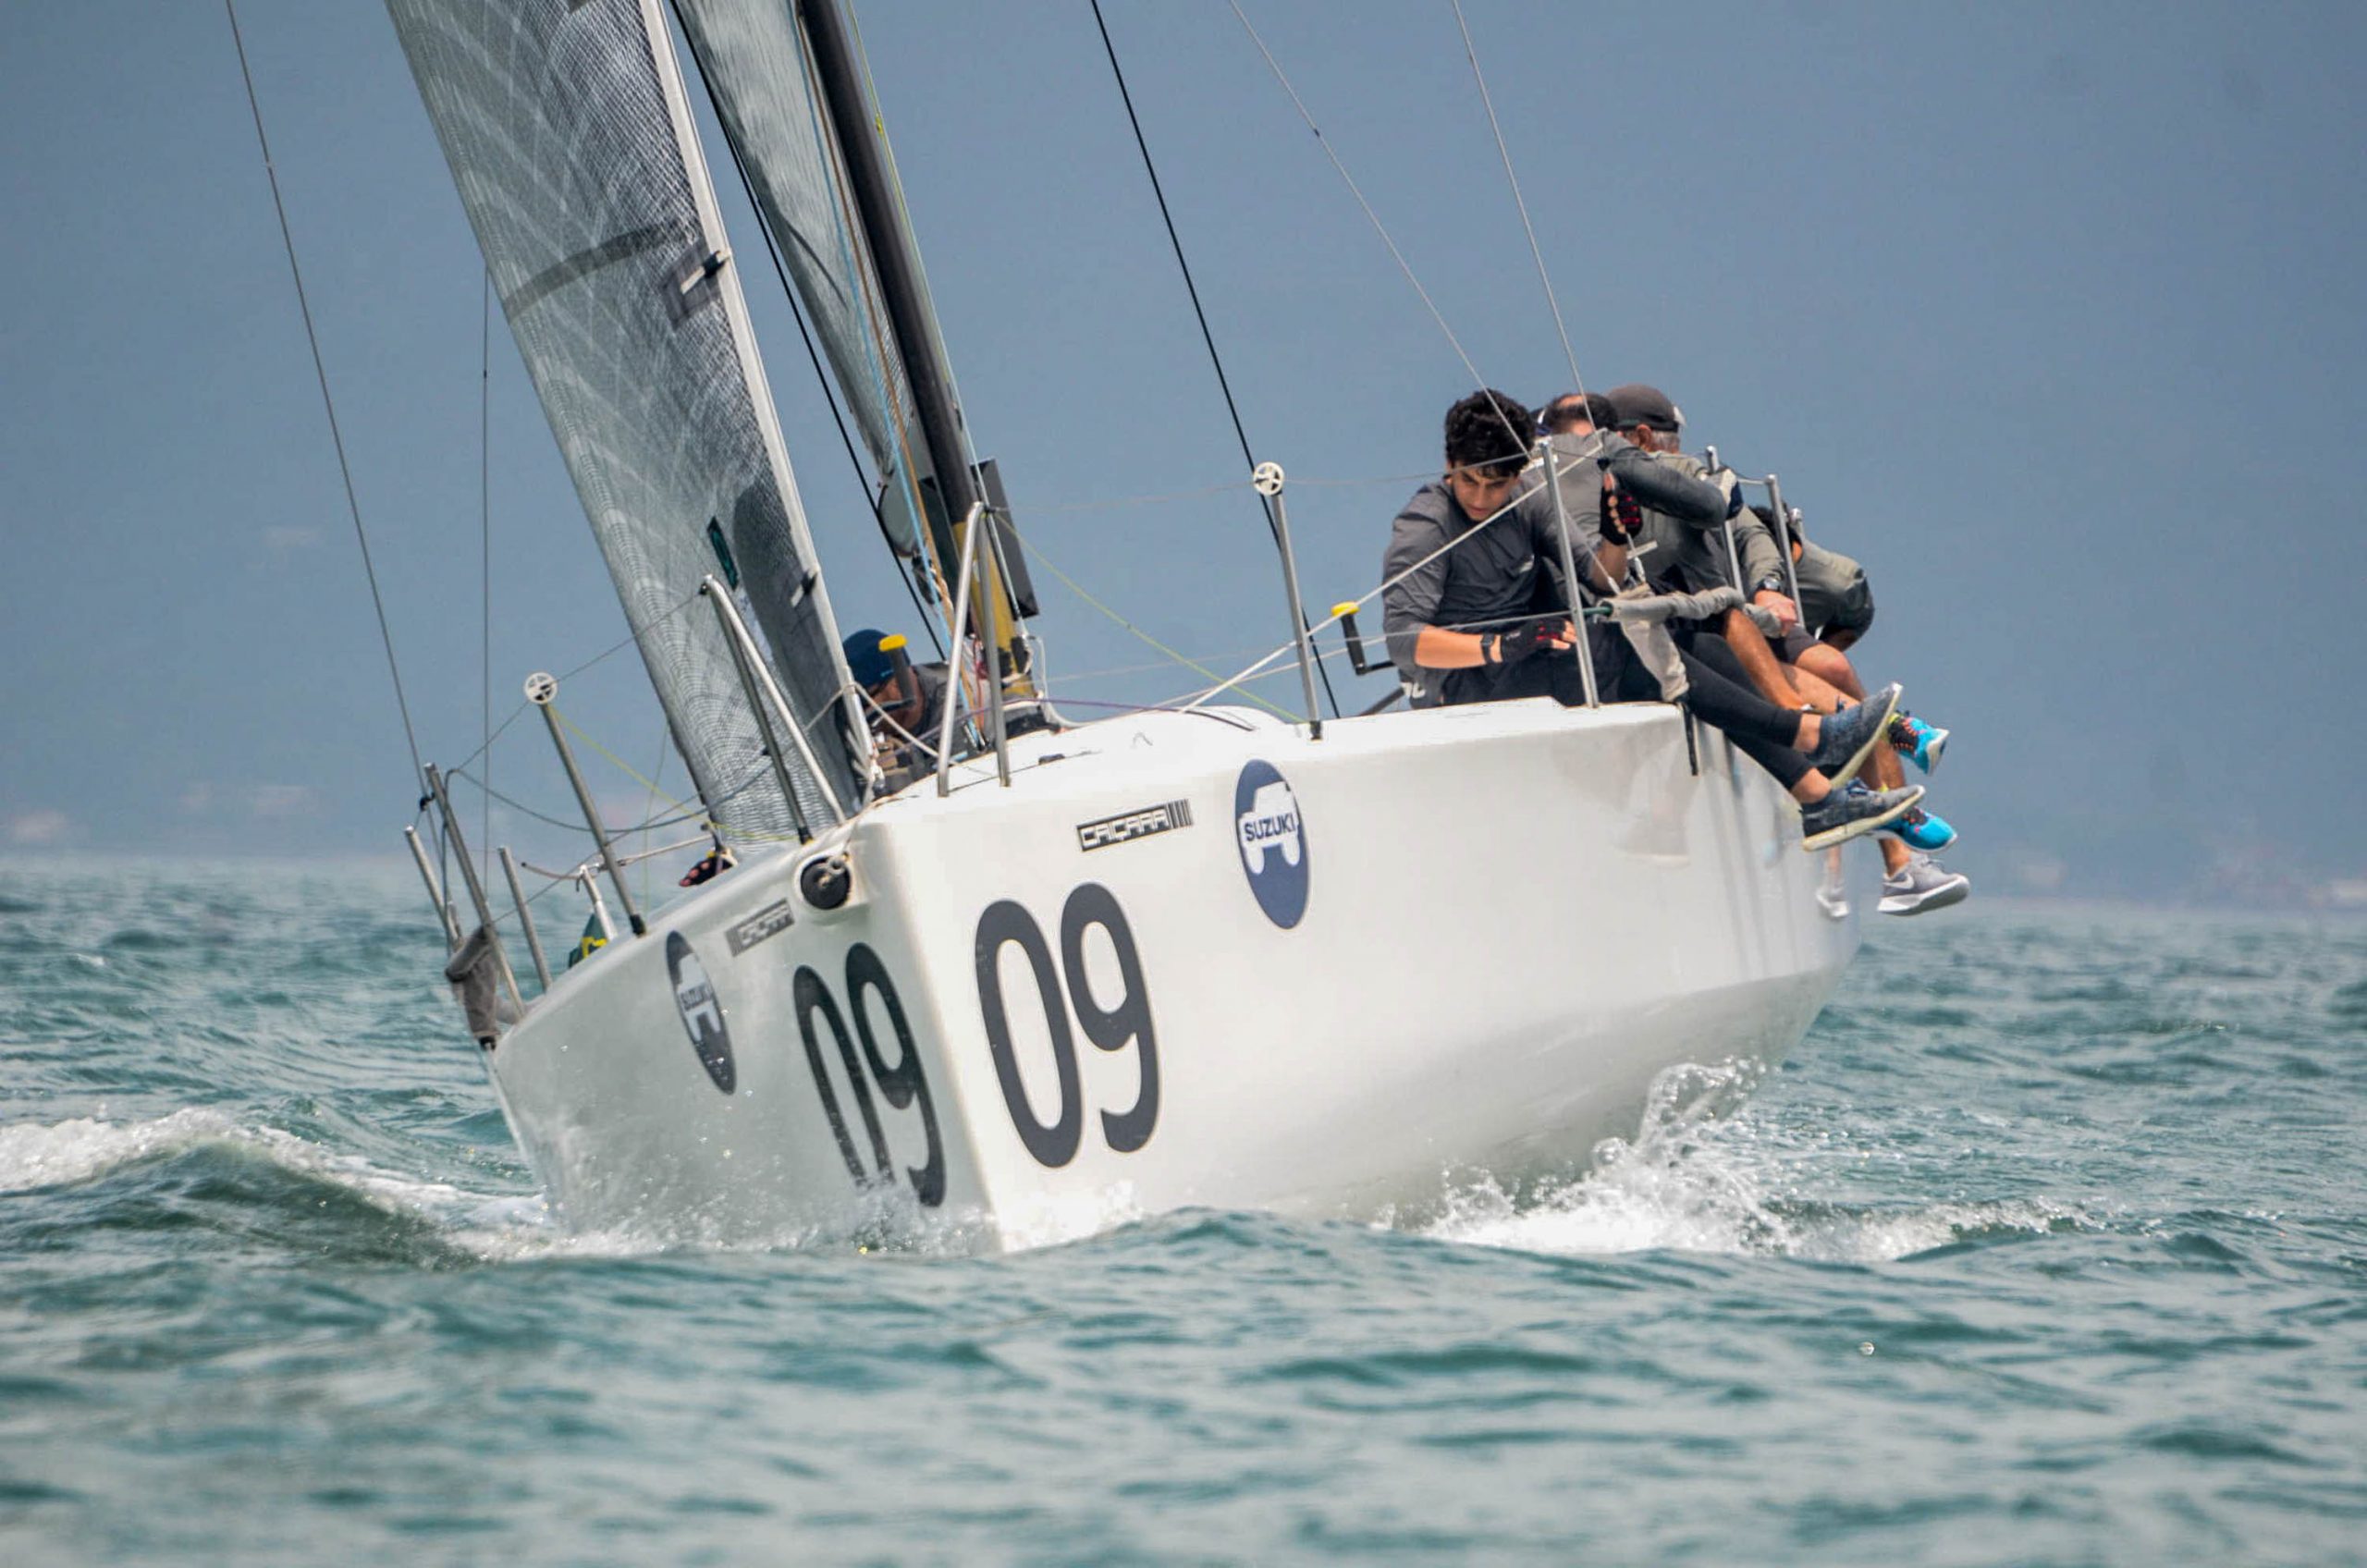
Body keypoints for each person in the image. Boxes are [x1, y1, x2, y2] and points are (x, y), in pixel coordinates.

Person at [1380, 389, 1921, 851]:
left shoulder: (1527, 499)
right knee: (1626, 641)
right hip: (1467, 683)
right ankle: (1809, 739)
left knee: (1689, 637)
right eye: (1469, 480)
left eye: (1494, 484)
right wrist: (1499, 646)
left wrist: (1617, 535)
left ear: (1518, 470)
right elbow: (1405, 640)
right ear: (1449, 464)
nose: (1481, 496)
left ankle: (1817, 795)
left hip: (1538, 658)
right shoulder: (1425, 523)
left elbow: (1599, 577)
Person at [1597, 386, 1968, 915]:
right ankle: (1892, 818)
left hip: (1744, 618)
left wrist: (1769, 582)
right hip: (1708, 627)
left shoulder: (1688, 481)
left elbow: (1749, 531)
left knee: (1831, 663)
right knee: (1766, 648)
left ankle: (1898, 850)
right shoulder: (1603, 487)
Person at [842, 627, 949, 773]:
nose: (859, 717)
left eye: (863, 703)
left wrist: (904, 763)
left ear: (897, 686)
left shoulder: (959, 703)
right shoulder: (852, 738)